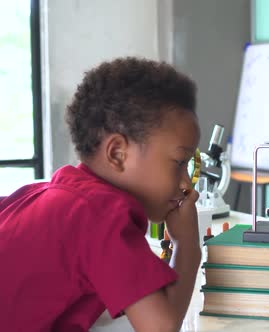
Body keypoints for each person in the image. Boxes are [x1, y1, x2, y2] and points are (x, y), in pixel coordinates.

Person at [0, 57, 202, 330]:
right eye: (179, 163)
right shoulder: (100, 216)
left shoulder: (51, 193)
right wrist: (187, 245)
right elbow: (161, 328)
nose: (187, 185)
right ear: (117, 154)